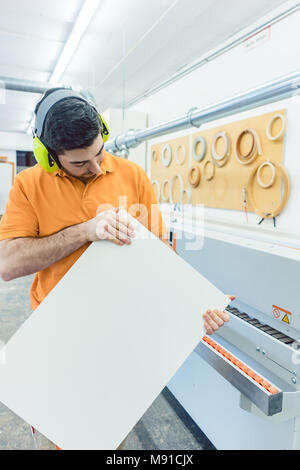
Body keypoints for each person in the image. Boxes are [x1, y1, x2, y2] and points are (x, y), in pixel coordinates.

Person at [0, 88, 233, 449]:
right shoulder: (28, 185)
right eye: (80, 162)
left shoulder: (133, 175)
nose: (95, 167)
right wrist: (84, 231)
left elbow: (160, 260)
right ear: (49, 156)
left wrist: (192, 305)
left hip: (118, 336)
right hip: (55, 337)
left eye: (99, 153)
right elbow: (8, 264)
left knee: (107, 438)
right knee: (55, 435)